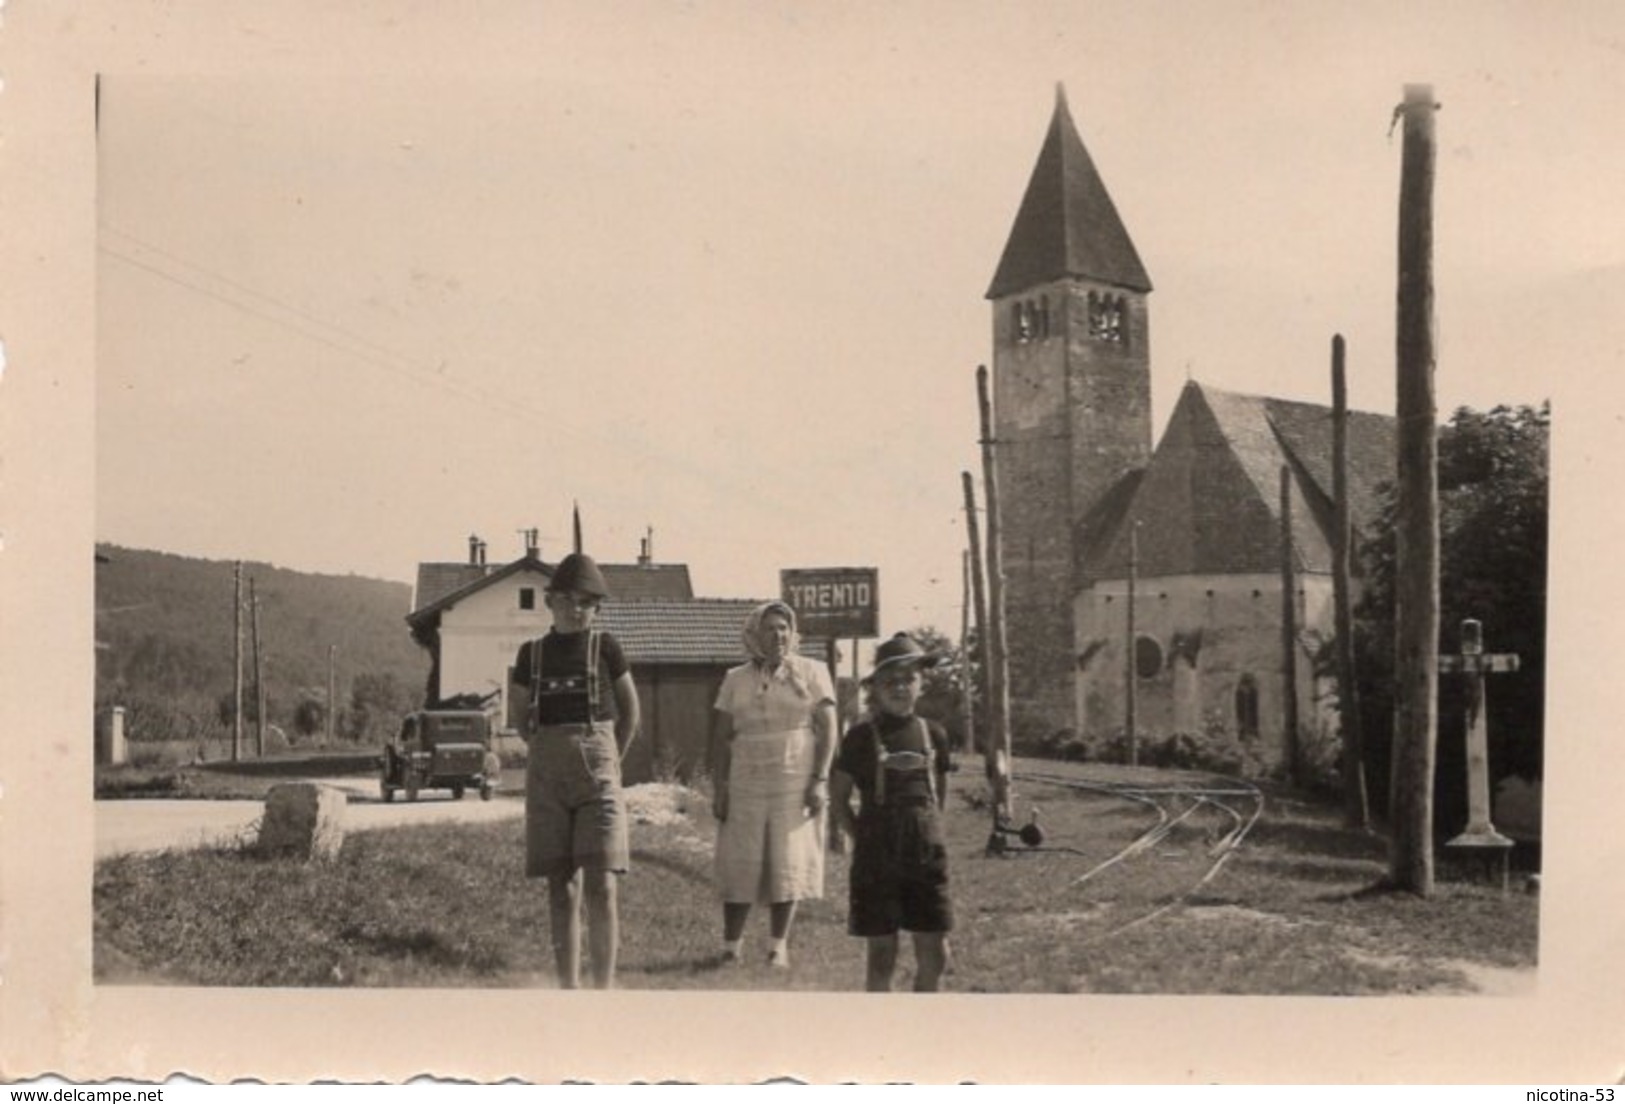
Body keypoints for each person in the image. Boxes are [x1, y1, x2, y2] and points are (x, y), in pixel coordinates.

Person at [509, 552, 640, 989]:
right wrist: (550, 752)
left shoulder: (607, 647)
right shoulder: (531, 655)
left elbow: (630, 712)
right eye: (565, 599)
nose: (574, 609)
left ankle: (602, 990)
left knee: (603, 883)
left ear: (596, 608)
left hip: (598, 771)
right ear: (549, 603)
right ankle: (569, 989)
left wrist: (607, 760)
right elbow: (518, 717)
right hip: (548, 774)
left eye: (585, 602)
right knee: (560, 886)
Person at [709, 601, 837, 969]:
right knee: (740, 860)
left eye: (784, 628)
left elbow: (828, 728)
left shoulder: (813, 672)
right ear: (755, 635)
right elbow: (720, 738)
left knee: (788, 858)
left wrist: (820, 779)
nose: (778, 635)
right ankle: (731, 946)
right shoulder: (735, 679)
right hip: (746, 776)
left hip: (794, 775)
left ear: (792, 633)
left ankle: (777, 946)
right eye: (770, 628)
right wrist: (721, 788)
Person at [829, 632, 955, 992]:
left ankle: (922, 1026)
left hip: (926, 853)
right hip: (877, 856)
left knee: (936, 952)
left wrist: (927, 833)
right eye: (890, 681)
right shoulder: (859, 737)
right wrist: (861, 837)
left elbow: (937, 796)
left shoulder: (934, 734)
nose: (900, 688)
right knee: (882, 954)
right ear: (876, 689)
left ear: (921, 685)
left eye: (909, 679)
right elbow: (838, 798)